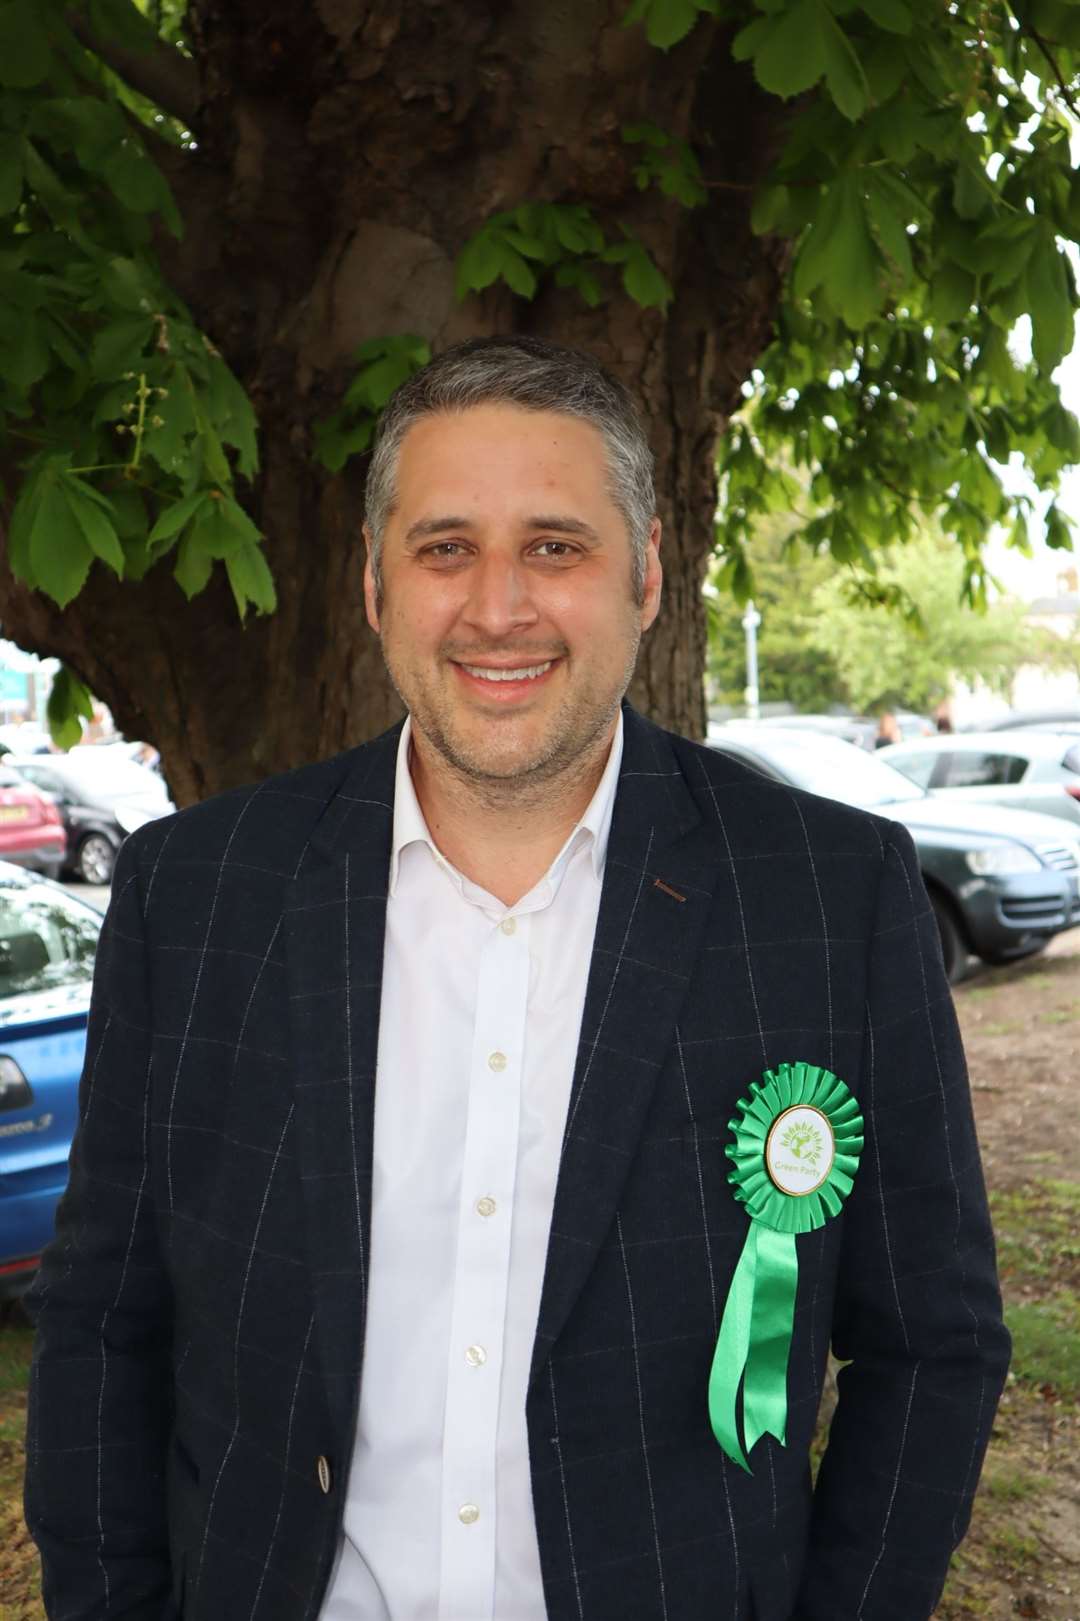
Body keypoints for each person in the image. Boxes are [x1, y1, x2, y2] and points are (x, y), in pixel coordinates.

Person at [25, 337, 1009, 1621]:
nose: (498, 607)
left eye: (555, 545)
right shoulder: (198, 896)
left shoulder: (830, 896)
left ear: (647, 573)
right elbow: (104, 1320)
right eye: (446, 549)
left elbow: (932, 1346)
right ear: (376, 587)